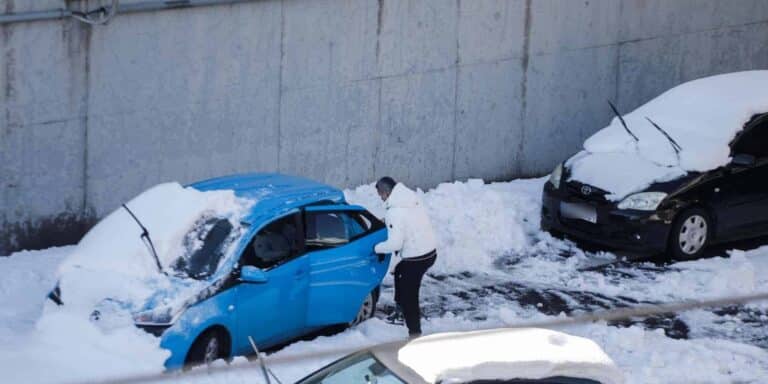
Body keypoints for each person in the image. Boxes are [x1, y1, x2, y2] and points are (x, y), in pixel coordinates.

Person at [374, 177, 437, 338]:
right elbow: (407, 222)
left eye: (381, 195)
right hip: (429, 252)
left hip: (417, 258)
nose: (381, 198)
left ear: (386, 193)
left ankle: (414, 333)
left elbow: (395, 244)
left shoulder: (395, 212)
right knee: (399, 270)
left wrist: (376, 248)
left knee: (411, 295)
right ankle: (400, 308)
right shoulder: (409, 200)